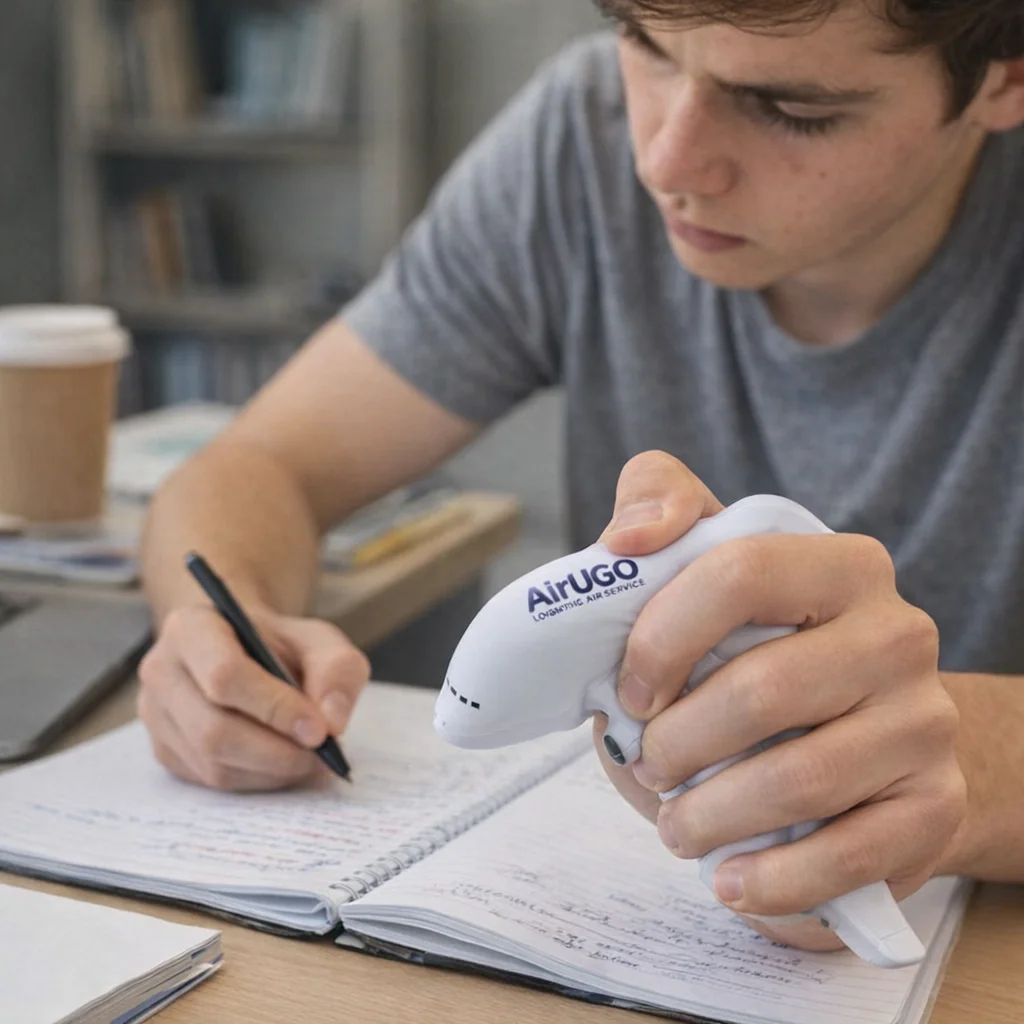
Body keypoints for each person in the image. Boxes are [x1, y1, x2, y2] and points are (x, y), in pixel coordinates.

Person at [137, 0, 1024, 953]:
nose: (666, 164)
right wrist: (217, 637)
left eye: (791, 110)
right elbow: (258, 463)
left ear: (1003, 77)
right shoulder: (579, 136)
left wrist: (964, 766)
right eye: (643, 47)